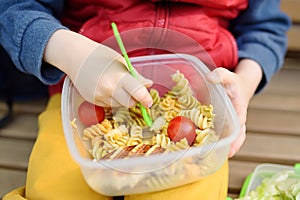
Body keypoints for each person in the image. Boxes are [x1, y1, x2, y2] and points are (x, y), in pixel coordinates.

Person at [0, 0, 290, 199]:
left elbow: (265, 29)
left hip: (200, 109)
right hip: (84, 99)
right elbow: (15, 9)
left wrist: (246, 81)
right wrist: (70, 52)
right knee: (55, 189)